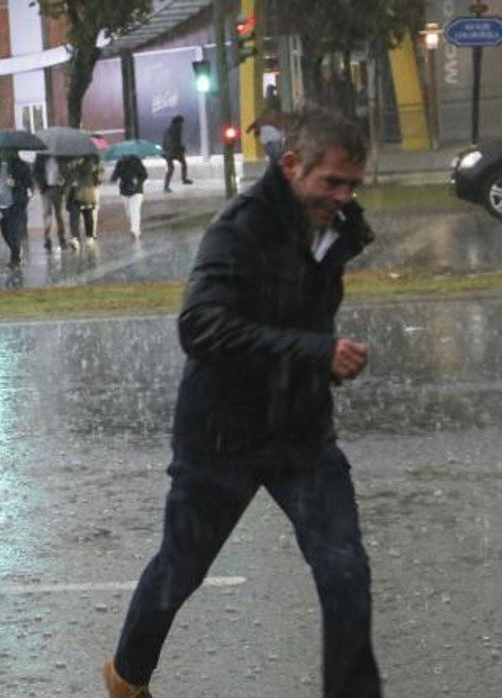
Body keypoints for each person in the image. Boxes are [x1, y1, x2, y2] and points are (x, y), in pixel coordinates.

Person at [102, 107, 378, 698]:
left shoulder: (336, 228)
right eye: (332, 182)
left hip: (301, 431)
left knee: (345, 571)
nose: (344, 196)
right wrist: (314, 353)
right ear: (290, 166)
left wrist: (319, 360)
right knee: (180, 571)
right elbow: (200, 327)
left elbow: (296, 313)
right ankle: (127, 676)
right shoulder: (240, 228)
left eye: (354, 184)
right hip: (221, 436)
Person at [0, 148, 33, 269]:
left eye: (7, 151)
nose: (4, 153)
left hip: (15, 205)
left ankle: (15, 259)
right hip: (0, 205)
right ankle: (16, 250)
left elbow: (29, 185)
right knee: (5, 233)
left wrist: (16, 183)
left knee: (14, 233)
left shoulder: (22, 166)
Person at [66, 154, 104, 248]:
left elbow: (97, 179)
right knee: (74, 216)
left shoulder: (90, 163)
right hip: (74, 193)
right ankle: (75, 237)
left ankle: (89, 236)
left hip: (85, 192)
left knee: (87, 215)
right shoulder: (72, 163)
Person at [33, 153, 67, 251]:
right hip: (46, 189)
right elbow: (36, 172)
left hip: (58, 189)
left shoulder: (61, 157)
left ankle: (61, 238)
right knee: (47, 214)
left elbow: (67, 172)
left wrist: (64, 183)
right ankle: (47, 238)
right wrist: (41, 186)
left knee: (59, 214)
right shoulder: (41, 157)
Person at [110, 154, 147, 238]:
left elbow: (144, 175)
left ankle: (134, 230)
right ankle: (136, 228)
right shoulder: (121, 162)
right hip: (125, 191)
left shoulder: (136, 161)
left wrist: (138, 181)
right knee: (129, 212)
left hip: (136, 190)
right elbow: (115, 174)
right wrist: (113, 179)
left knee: (134, 210)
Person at [161, 115, 193, 192]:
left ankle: (166, 186)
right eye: (181, 123)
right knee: (182, 164)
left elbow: (166, 141)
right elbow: (176, 140)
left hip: (168, 151)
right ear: (179, 122)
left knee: (171, 168)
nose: (182, 124)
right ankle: (184, 179)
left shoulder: (169, 129)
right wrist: (181, 148)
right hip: (174, 151)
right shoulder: (176, 128)